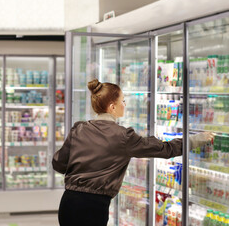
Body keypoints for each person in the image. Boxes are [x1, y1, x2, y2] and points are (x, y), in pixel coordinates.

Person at [52, 79, 213, 226]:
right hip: (94, 207)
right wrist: (195, 140)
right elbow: (164, 149)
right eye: (122, 101)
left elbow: (59, 163)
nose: (125, 104)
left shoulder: (79, 129)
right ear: (112, 107)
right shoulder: (123, 136)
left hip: (68, 203)